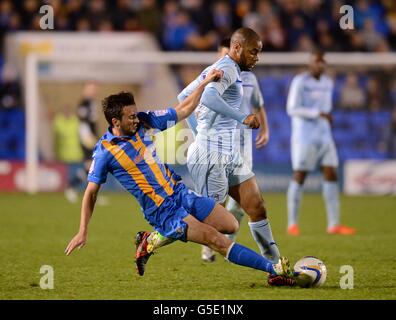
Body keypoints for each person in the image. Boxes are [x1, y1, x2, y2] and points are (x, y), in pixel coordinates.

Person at [64, 69, 295, 287]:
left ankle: (151, 241)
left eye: (136, 114)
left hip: (180, 192)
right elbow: (91, 192)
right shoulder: (105, 151)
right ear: (115, 122)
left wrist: (205, 84)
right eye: (131, 117)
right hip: (163, 210)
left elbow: (183, 110)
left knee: (230, 224)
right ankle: (274, 269)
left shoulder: (144, 121)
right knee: (217, 241)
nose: (136, 119)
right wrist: (83, 230)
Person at [178, 28, 281, 264]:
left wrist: (199, 129)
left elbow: (185, 94)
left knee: (256, 206)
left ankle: (276, 265)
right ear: (237, 48)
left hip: (229, 152)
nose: (257, 57)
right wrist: (242, 117)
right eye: (253, 52)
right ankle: (154, 238)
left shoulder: (227, 68)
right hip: (211, 155)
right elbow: (207, 98)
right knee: (211, 222)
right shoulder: (226, 68)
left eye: (259, 53)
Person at [286, 49, 356, 236]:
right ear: (310, 63)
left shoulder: (327, 82)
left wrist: (324, 116)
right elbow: (291, 108)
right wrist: (317, 114)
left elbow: (326, 107)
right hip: (305, 136)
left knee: (331, 173)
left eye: (322, 62)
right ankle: (292, 224)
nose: (320, 65)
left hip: (324, 134)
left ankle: (333, 224)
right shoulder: (300, 81)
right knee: (300, 174)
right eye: (316, 62)